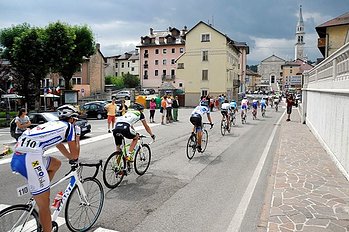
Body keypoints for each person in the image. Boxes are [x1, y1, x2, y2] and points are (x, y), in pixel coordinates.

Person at [10, 105, 81, 232]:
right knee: (44, 205)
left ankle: (40, 189)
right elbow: (76, 154)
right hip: (30, 159)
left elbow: (59, 144)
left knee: (56, 164)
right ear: (72, 119)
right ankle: (41, 198)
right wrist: (77, 137)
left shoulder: (54, 124)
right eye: (75, 120)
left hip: (18, 156)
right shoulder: (70, 127)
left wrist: (69, 157)